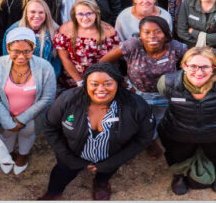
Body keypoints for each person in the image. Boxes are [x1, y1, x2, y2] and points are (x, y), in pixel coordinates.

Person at [41, 63, 153, 201]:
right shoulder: (67, 100)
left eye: (108, 83)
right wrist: (67, 158)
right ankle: (54, 192)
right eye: (94, 84)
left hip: (111, 156)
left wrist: (112, 162)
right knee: (61, 174)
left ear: (118, 83)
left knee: (106, 172)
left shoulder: (137, 106)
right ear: (86, 84)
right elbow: (50, 127)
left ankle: (101, 183)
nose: (101, 89)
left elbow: (144, 138)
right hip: (70, 156)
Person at [157, 47, 216, 194]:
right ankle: (179, 176)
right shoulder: (166, 83)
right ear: (184, 66)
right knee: (176, 156)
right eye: (193, 66)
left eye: (205, 67)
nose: (199, 72)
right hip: (178, 132)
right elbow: (166, 95)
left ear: (213, 68)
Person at [101, 16, 185, 156]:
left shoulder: (174, 46)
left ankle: (150, 141)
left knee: (157, 119)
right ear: (140, 33)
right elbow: (103, 63)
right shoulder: (133, 45)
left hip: (165, 95)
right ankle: (133, 142)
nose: (152, 36)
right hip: (136, 93)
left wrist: (182, 80)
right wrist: (123, 83)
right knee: (135, 120)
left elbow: (195, 60)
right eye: (147, 32)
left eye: (158, 32)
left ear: (165, 33)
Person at [0, 28, 58, 176]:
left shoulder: (45, 68)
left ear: (33, 49)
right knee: (6, 135)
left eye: (27, 51)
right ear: (7, 48)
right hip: (3, 115)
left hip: (32, 116)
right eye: (16, 51)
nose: (21, 56)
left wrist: (22, 119)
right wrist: (8, 122)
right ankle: (7, 154)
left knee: (27, 134)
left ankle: (23, 155)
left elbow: (48, 97)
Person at [53, 0, 120, 89]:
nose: (85, 18)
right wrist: (80, 82)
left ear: (96, 13)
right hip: (72, 79)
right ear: (74, 15)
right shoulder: (65, 30)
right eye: (80, 14)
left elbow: (112, 62)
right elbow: (64, 58)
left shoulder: (109, 32)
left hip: (100, 79)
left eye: (89, 13)